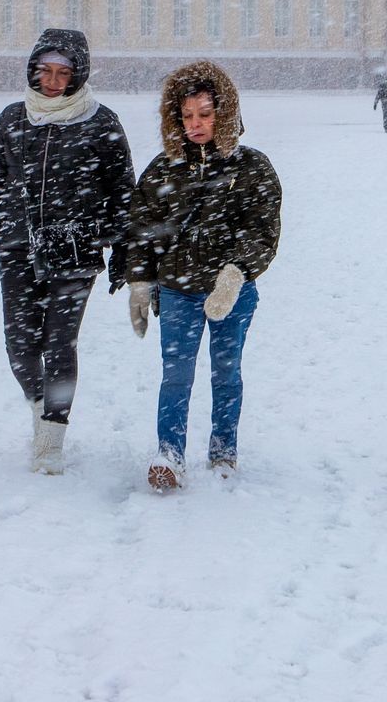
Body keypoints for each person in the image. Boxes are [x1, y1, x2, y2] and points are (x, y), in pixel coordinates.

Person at [0, 28, 135, 474]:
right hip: (17, 245)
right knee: (20, 345)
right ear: (33, 71)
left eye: (62, 74)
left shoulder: (100, 121)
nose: (53, 82)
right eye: (45, 72)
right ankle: (41, 406)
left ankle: (52, 436)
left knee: (59, 342)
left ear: (78, 75)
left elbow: (123, 194)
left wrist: (123, 253)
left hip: (75, 249)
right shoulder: (14, 119)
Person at [111, 60, 282, 491]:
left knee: (226, 373)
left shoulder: (252, 168)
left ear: (224, 114)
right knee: (177, 374)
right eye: (187, 116)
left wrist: (236, 272)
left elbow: (263, 229)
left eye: (205, 114)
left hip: (233, 293)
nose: (196, 124)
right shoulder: (162, 170)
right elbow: (142, 231)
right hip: (178, 291)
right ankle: (169, 453)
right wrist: (139, 282)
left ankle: (224, 448)